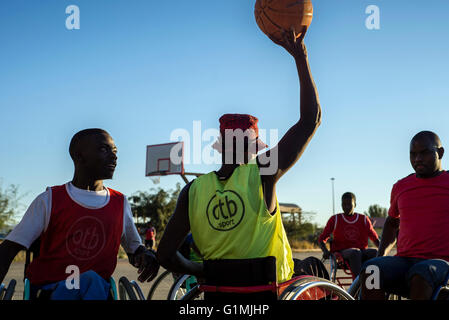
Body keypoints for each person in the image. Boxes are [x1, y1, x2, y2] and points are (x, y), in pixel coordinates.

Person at [157, 28, 322, 287]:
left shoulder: (193, 191)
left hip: (219, 296)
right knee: (315, 268)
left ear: (221, 147)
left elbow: (165, 254)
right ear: (254, 148)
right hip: (271, 292)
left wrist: (203, 271)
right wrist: (301, 57)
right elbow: (311, 120)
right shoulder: (263, 172)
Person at [0, 128, 159, 300]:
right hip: (50, 290)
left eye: (115, 151)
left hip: (98, 290)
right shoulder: (50, 199)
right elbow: (9, 249)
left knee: (92, 281)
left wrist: (145, 257)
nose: (114, 156)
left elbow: (134, 250)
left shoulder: (119, 202)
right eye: (104, 149)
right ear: (79, 156)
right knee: (89, 280)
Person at [361, 131, 449, 300]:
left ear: (440, 152)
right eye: (413, 154)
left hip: (441, 263)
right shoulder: (401, 186)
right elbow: (392, 223)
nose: (417, 159)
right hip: (405, 260)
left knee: (422, 272)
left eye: (424, 153)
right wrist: (381, 256)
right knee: (371, 269)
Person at [318, 192, 379, 278]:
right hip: (342, 254)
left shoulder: (364, 219)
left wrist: (383, 251)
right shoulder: (335, 219)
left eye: (349, 204)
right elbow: (322, 239)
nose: (346, 206)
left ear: (355, 204)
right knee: (355, 252)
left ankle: (374, 284)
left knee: (375, 252)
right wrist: (325, 251)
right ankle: (358, 284)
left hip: (361, 252)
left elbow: (375, 239)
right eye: (344, 204)